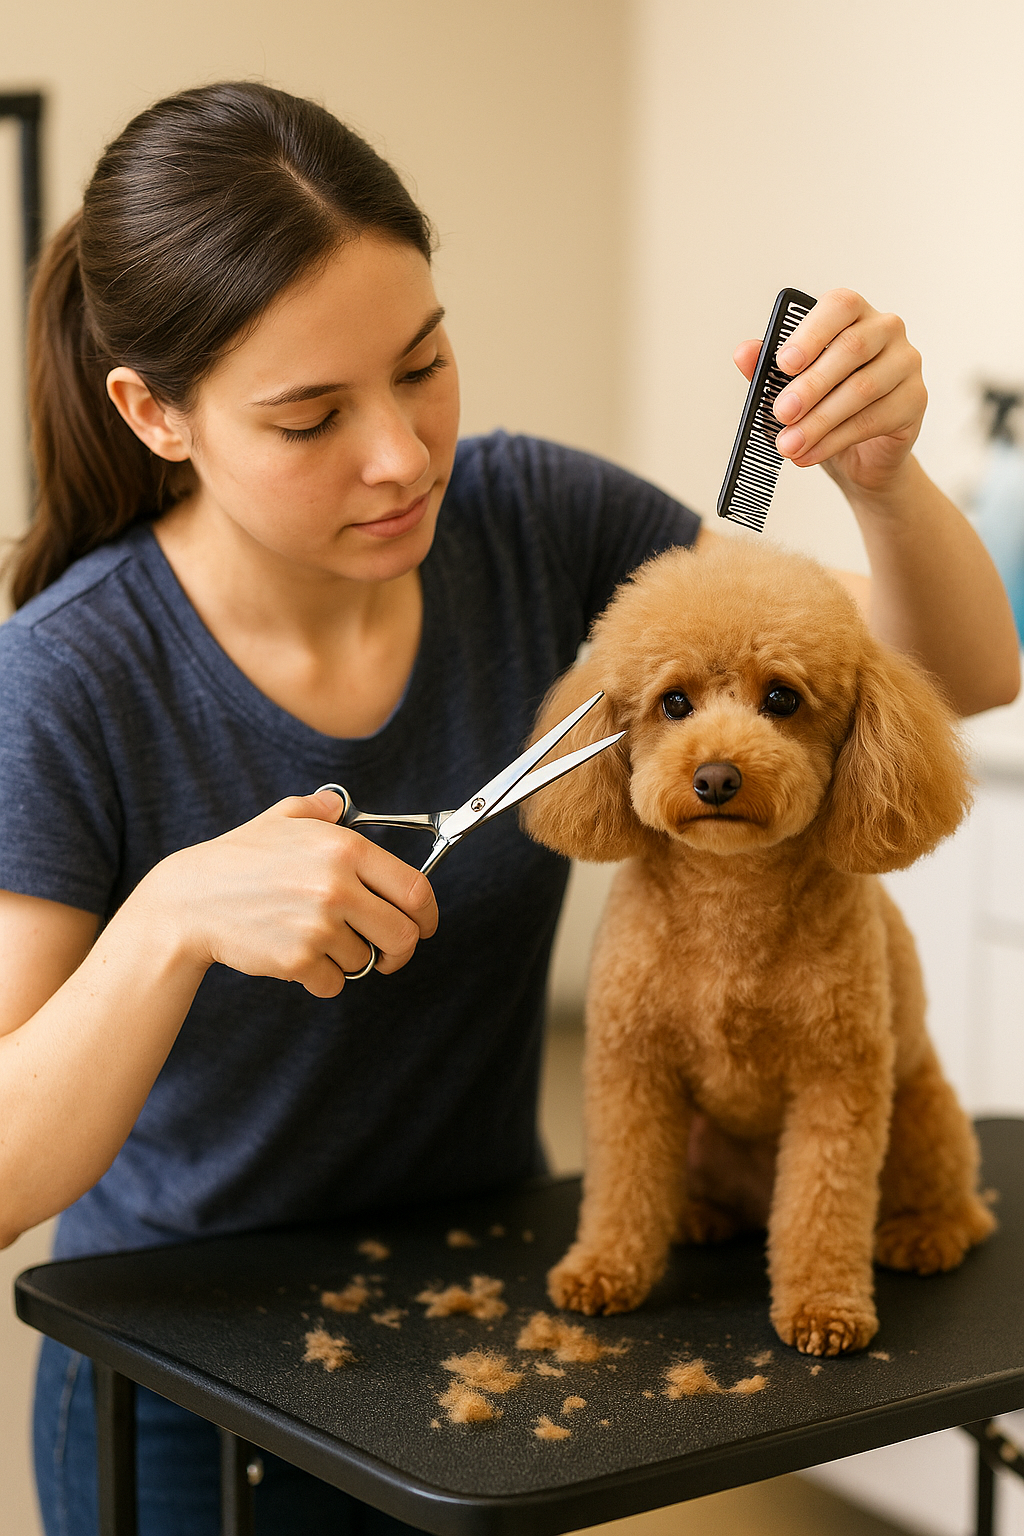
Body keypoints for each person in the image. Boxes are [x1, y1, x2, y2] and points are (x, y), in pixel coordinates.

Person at [0, 81, 1016, 1536]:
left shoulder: (537, 522)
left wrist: (883, 474)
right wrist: (167, 919)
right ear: (154, 412)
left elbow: (965, 675)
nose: (403, 455)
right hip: (187, 1381)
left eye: (422, 366)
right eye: (312, 417)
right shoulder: (64, 679)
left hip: (488, 1336)